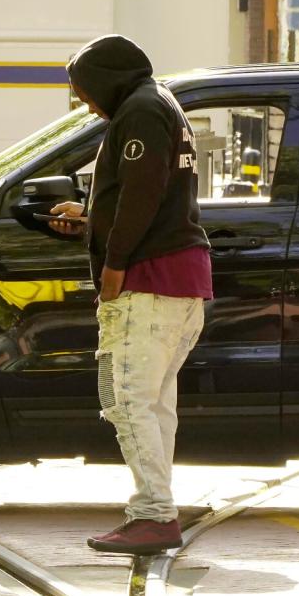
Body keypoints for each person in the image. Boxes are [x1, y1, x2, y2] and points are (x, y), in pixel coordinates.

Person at [48, 34, 211, 555]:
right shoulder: (159, 102)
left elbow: (140, 198)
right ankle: (156, 507)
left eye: (84, 91)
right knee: (155, 404)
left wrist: (114, 266)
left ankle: (153, 515)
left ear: (105, 81)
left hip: (148, 282)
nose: (85, 104)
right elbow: (151, 193)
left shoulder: (138, 111)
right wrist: (92, 220)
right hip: (178, 281)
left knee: (125, 399)